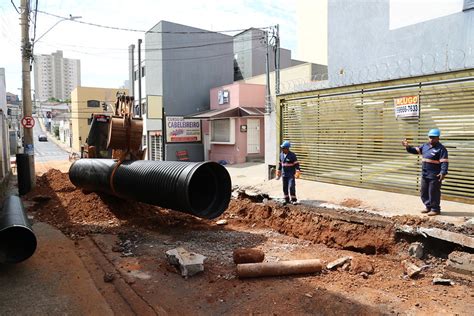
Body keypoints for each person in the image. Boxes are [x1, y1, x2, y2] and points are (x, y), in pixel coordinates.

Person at [402, 128, 448, 216]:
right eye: (430, 137)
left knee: (433, 192)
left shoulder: (441, 149)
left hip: (435, 175)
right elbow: (414, 150)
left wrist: (443, 172)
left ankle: (435, 209)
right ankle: (428, 207)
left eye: (433, 137)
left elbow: (444, 162)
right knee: (423, 192)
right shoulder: (425, 146)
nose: (431, 139)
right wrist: (407, 147)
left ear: (438, 138)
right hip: (425, 174)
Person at [276, 140, 301, 205]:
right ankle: (286, 199)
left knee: (291, 186)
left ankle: (293, 199)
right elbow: (280, 164)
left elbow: (296, 164)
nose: (282, 149)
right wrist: (278, 171)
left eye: (283, 148)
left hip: (290, 174)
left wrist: (298, 171)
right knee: (285, 187)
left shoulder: (292, 155)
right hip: (284, 174)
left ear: (287, 148)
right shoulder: (281, 155)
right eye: (282, 148)